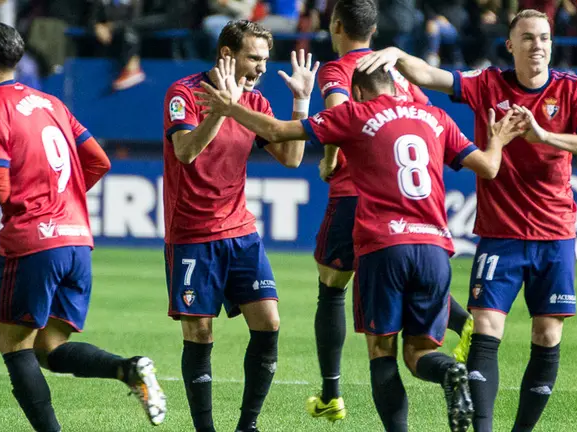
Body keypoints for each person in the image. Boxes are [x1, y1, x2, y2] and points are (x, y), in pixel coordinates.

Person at [196, 62, 526, 432]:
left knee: (381, 352)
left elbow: (276, 130)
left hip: (384, 246)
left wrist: (231, 107)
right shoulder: (436, 117)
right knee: (419, 353)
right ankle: (449, 370)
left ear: (357, 92)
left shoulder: (355, 114)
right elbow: (489, 167)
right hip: (435, 247)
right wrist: (498, 140)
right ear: (397, 87)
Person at [356, 8, 577, 432]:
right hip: (500, 234)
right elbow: (429, 75)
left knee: (547, 335)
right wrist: (396, 54)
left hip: (555, 233)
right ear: (510, 45)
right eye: (528, 38)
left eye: (544, 37)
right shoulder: (488, 83)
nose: (538, 45)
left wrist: (543, 135)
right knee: (485, 330)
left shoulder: (572, 88)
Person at [0, 22, 166, 432]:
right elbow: (98, 161)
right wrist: (61, 202)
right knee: (48, 347)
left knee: (14, 345)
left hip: (33, 245)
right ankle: (129, 369)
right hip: (76, 241)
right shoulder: (51, 104)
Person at [308, 0, 474, 421]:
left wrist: (329, 161)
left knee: (332, 285)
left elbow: (339, 116)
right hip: (410, 198)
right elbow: (420, 116)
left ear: (336, 25)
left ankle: (331, 394)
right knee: (411, 273)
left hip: (356, 193)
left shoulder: (338, 69)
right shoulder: (394, 70)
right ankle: (462, 321)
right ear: (375, 29)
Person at [162, 19, 318, 432]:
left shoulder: (256, 103)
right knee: (199, 332)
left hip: (240, 231)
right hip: (193, 234)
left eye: (266, 59)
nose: (262, 67)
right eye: (254, 58)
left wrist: (301, 100)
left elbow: (292, 158)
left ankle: (247, 425)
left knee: (269, 322)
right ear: (227, 54)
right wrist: (221, 110)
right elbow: (185, 152)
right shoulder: (184, 93)